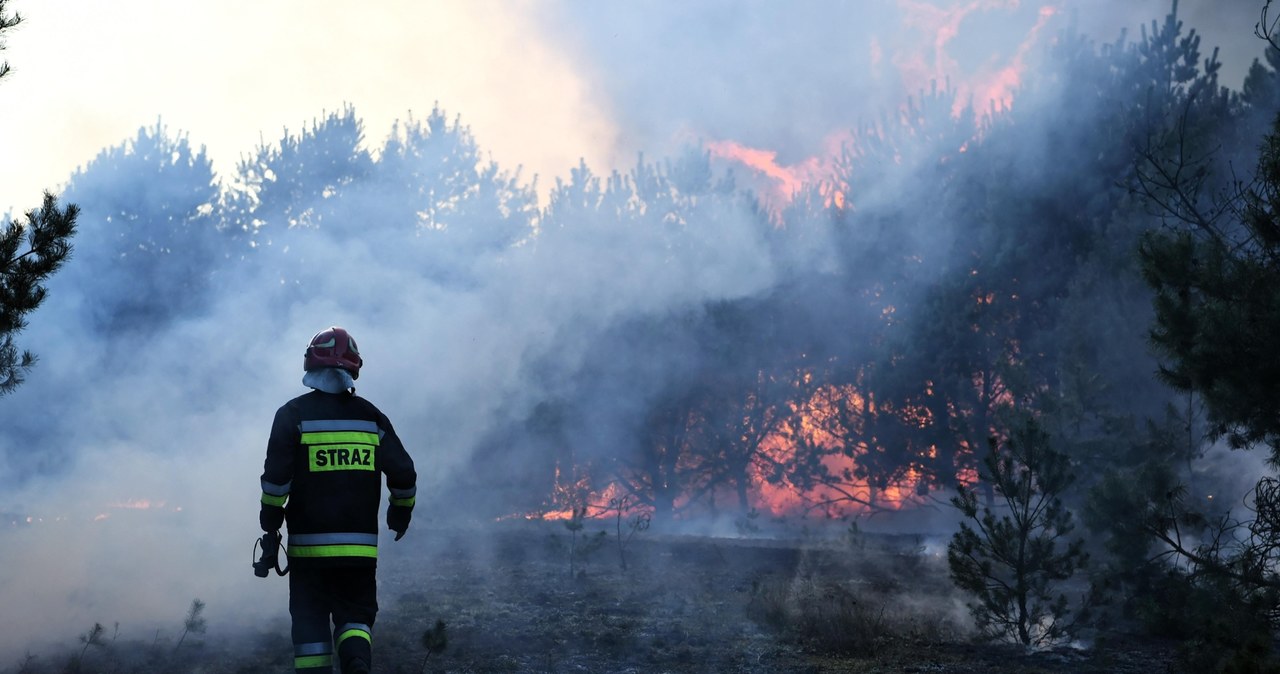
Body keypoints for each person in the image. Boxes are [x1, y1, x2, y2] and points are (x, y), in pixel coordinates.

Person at [258, 326, 417, 674]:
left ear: (310, 365)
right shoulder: (371, 418)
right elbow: (404, 473)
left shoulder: (292, 416)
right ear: (353, 368)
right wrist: (400, 513)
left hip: (308, 554)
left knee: (310, 626)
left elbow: (275, 484)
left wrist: (270, 527)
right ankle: (357, 664)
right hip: (358, 554)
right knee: (356, 618)